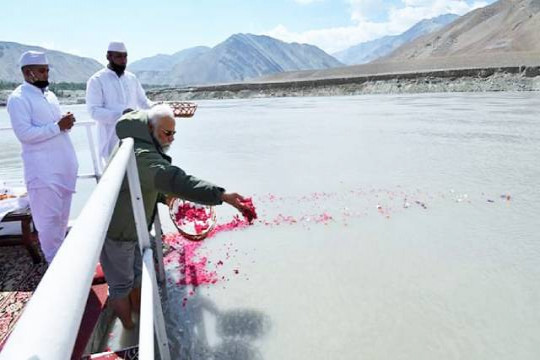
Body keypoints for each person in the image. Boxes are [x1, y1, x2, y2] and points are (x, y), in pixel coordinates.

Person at [101, 104, 255, 329]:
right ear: (151, 128)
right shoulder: (142, 153)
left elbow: (141, 184)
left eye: (174, 133)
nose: (172, 138)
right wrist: (222, 195)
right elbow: (172, 179)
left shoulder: (139, 140)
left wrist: (163, 197)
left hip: (133, 225)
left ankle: (139, 317)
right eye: (167, 133)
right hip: (119, 231)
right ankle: (130, 329)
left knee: (134, 275)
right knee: (119, 287)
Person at [7, 51, 78, 263]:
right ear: (28, 72)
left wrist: (64, 123)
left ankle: (62, 259)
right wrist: (57, 126)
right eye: (42, 70)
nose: (46, 74)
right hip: (43, 172)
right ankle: (54, 265)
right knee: (47, 221)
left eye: (47, 70)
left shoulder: (50, 95)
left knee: (62, 218)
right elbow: (25, 134)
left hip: (63, 168)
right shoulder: (18, 99)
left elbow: (54, 128)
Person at [86, 41, 153, 166]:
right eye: (118, 56)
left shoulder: (131, 78)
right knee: (116, 176)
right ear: (109, 57)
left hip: (135, 136)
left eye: (125, 56)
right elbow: (94, 111)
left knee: (137, 174)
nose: (123, 60)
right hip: (111, 139)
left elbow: (143, 101)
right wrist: (121, 115)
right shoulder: (97, 80)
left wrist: (158, 108)